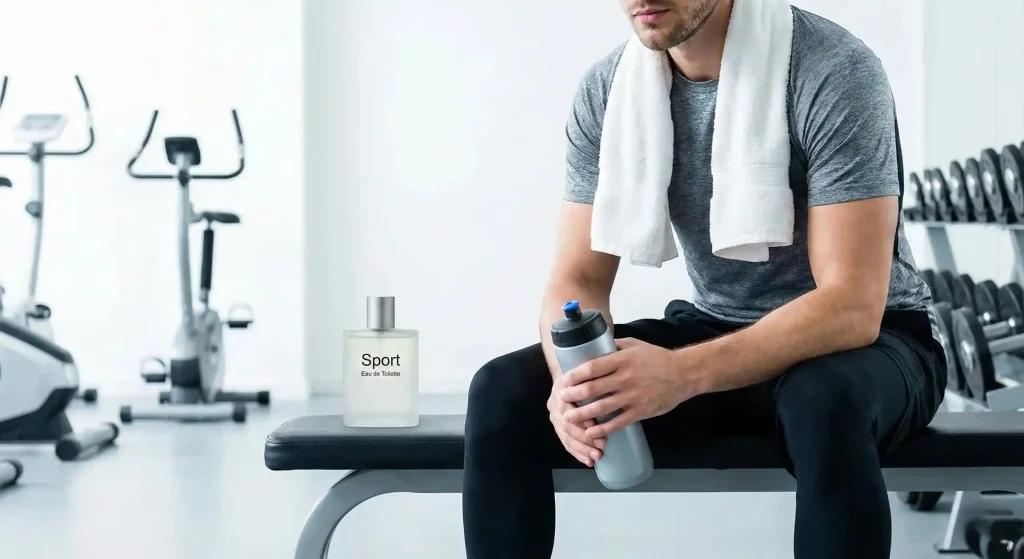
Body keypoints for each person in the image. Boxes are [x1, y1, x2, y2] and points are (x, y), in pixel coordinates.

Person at [462, 0, 945, 558]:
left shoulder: (833, 69)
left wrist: (681, 374)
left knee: (822, 400)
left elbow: (851, 305)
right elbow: (576, 278)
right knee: (502, 391)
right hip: (720, 326)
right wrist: (570, 383)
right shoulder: (608, 92)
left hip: (875, 342)